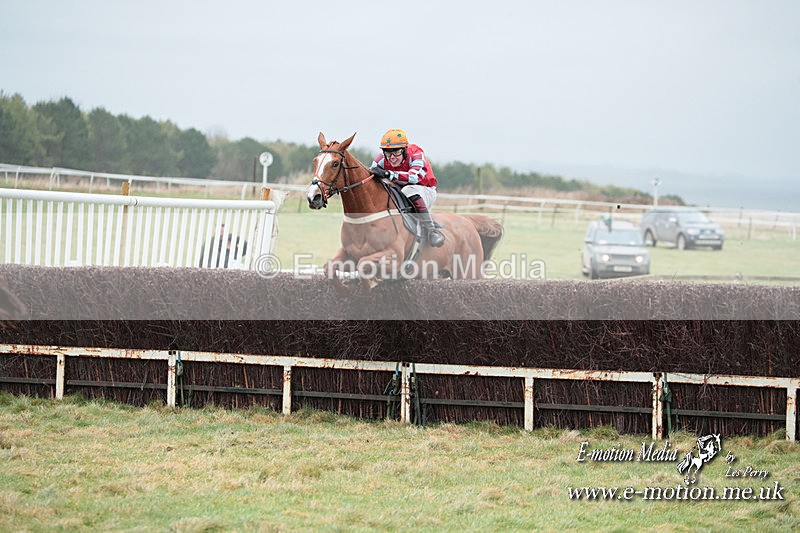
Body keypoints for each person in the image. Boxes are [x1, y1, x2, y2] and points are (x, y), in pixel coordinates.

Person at [369, 129, 445, 247]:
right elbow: (371, 173)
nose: (392, 157)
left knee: (408, 189)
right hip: (400, 190)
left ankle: (432, 230)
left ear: (404, 150)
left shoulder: (416, 154)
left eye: (396, 152)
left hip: (424, 189)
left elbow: (413, 178)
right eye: (388, 153)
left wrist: (388, 174)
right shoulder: (382, 159)